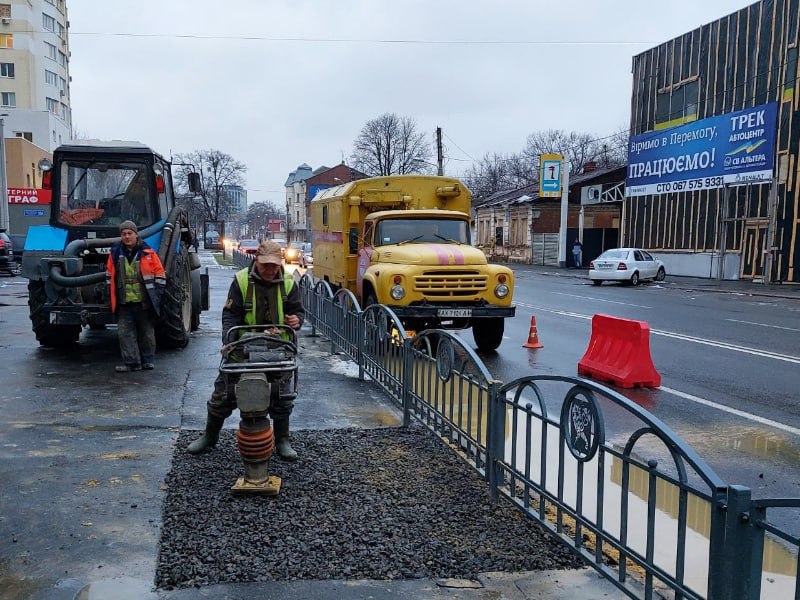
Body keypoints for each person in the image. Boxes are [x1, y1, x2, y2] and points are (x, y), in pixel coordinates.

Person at [188, 240, 305, 460]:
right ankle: (210, 435)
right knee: (224, 393)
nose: (270, 270)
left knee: (282, 396)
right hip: (243, 349)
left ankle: (282, 439)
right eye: (265, 266)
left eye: (274, 266)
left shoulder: (289, 282)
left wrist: (296, 319)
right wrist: (229, 340)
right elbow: (230, 315)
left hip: (277, 348)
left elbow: (298, 312)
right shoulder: (242, 281)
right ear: (257, 261)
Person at [106, 220, 166, 372]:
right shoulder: (115, 253)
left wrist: (156, 295)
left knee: (146, 332)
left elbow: (160, 275)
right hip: (124, 302)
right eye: (124, 234)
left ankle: (147, 360)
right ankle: (132, 363)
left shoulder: (149, 253)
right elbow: (109, 275)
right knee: (125, 334)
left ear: (135, 235)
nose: (127, 237)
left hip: (144, 301)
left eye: (129, 233)